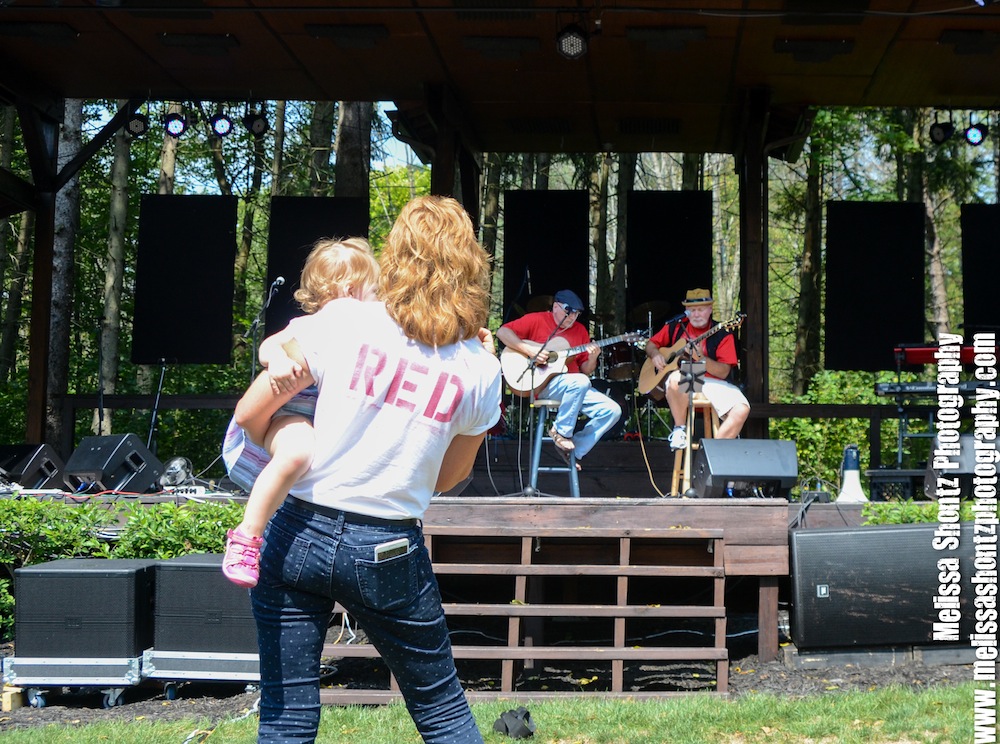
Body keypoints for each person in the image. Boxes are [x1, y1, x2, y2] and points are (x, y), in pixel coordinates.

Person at [232, 195, 501, 743]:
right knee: (442, 711)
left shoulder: (343, 320)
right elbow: (448, 478)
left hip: (299, 531)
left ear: (394, 255)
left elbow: (249, 413)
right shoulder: (480, 368)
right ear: (471, 267)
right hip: (388, 547)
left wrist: (285, 440)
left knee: (286, 716)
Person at [221, 237, 380, 588]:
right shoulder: (309, 326)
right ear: (350, 291)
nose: (378, 298)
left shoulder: (367, 336)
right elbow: (269, 346)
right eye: (374, 290)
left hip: (321, 422)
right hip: (290, 415)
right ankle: (247, 537)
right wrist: (279, 361)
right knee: (297, 452)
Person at [496, 289, 622, 469]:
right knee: (580, 381)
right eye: (568, 312)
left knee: (612, 410)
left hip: (575, 388)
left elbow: (585, 370)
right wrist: (529, 350)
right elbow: (502, 332)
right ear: (555, 307)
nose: (572, 317)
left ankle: (574, 451)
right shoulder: (536, 319)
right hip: (544, 384)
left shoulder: (580, 331)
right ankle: (561, 432)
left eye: (577, 314)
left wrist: (593, 357)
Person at [643, 287, 750, 450]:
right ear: (686, 311)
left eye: (701, 310)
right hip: (686, 377)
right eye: (692, 310)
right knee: (676, 378)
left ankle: (712, 453)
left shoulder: (723, 333)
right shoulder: (676, 327)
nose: (696, 314)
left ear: (710, 309)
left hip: (713, 381)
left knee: (741, 409)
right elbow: (651, 344)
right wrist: (655, 354)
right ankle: (679, 430)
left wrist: (701, 359)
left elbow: (724, 372)